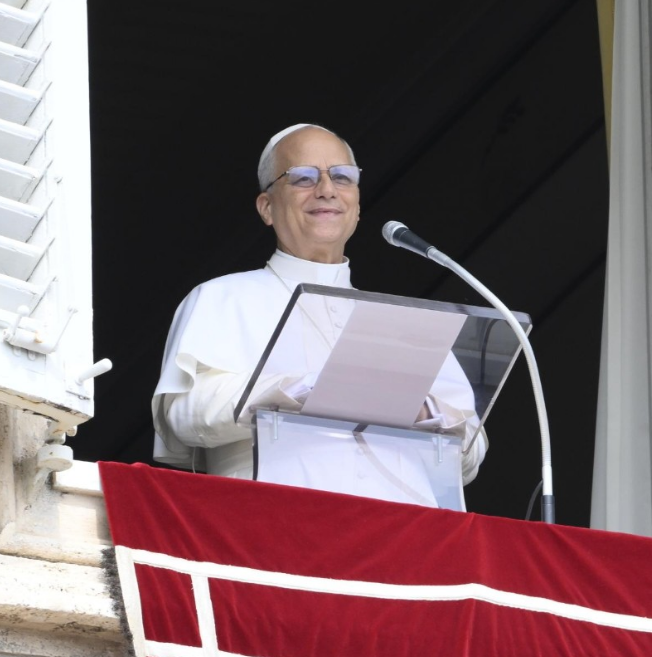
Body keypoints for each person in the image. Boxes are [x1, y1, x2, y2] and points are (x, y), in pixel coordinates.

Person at [152, 124, 487, 505]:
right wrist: (304, 390)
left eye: (342, 177)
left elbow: (470, 456)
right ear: (267, 207)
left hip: (409, 541)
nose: (327, 189)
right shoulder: (222, 297)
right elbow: (182, 417)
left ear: (357, 206)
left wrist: (422, 408)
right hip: (277, 531)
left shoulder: (404, 323)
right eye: (303, 178)